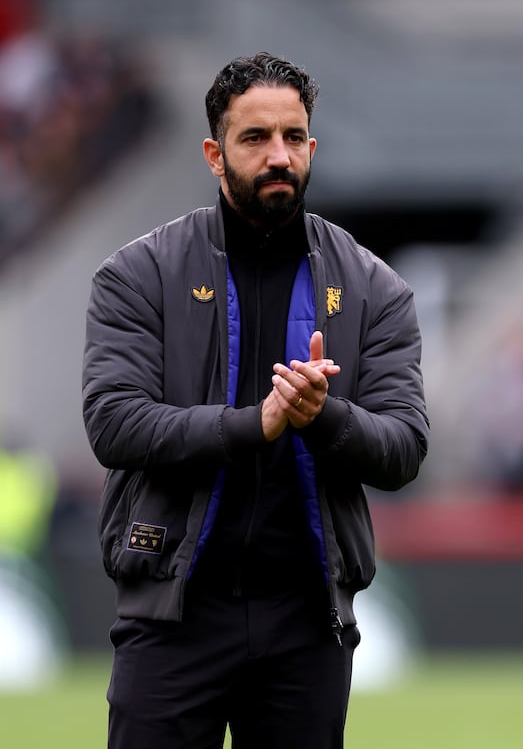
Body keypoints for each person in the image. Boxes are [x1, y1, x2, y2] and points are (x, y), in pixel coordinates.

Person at [82, 52, 429, 749]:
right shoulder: (137, 274)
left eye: (293, 138)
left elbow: (403, 448)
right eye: (255, 139)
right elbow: (114, 423)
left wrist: (322, 417)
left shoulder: (374, 287)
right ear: (215, 154)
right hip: (172, 611)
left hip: (307, 619)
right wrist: (256, 424)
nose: (279, 156)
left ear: (311, 146)